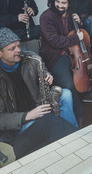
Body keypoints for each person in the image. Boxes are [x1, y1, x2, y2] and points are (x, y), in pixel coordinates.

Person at [0, 27, 78, 164]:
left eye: (18, 46)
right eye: (12, 49)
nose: (18, 50)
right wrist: (27, 115)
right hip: (19, 123)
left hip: (37, 104)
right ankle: (69, 142)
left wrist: (47, 75)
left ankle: (73, 138)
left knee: (66, 94)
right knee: (47, 122)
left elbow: (42, 68)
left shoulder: (30, 58)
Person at [39, 0, 92, 122]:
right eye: (57, 2)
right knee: (69, 85)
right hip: (55, 57)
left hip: (72, 55)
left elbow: (78, 32)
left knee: (87, 72)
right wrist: (75, 38)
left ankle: (88, 94)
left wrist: (80, 23)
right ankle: (79, 114)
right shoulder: (46, 16)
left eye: (63, 3)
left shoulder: (72, 13)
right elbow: (55, 40)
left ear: (69, 3)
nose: (60, 5)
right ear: (52, 1)